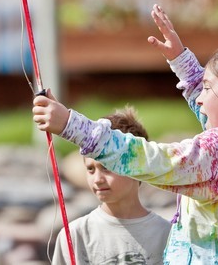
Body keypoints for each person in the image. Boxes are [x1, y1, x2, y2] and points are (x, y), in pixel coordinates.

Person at [34, 4, 218, 264]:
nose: (200, 100)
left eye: (207, 88)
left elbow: (151, 160)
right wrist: (181, 59)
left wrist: (71, 125)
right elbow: (217, 117)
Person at [51, 106, 171, 265]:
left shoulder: (166, 233)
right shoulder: (74, 234)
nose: (97, 179)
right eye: (90, 169)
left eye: (107, 168)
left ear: (138, 167)